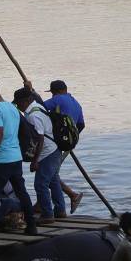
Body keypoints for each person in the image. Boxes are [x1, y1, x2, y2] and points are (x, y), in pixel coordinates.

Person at [0, 78, 36, 240]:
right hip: (16, 157)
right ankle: (31, 225)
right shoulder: (12, 108)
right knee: (22, 192)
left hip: (2, 159)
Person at [13, 88, 66, 222]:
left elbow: (40, 139)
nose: (18, 106)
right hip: (54, 149)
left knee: (40, 184)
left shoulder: (33, 115)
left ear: (26, 101)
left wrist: (35, 161)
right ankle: (60, 210)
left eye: (18, 103)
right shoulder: (37, 107)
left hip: (48, 152)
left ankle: (47, 214)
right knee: (53, 181)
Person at [41, 79, 84, 213]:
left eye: (52, 93)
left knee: (48, 173)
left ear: (56, 91)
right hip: (67, 143)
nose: (52, 95)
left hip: (56, 143)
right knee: (51, 173)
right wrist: (70, 139)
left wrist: (31, 91)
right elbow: (81, 124)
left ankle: (71, 195)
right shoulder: (76, 103)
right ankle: (61, 204)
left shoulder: (58, 99)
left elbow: (38, 107)